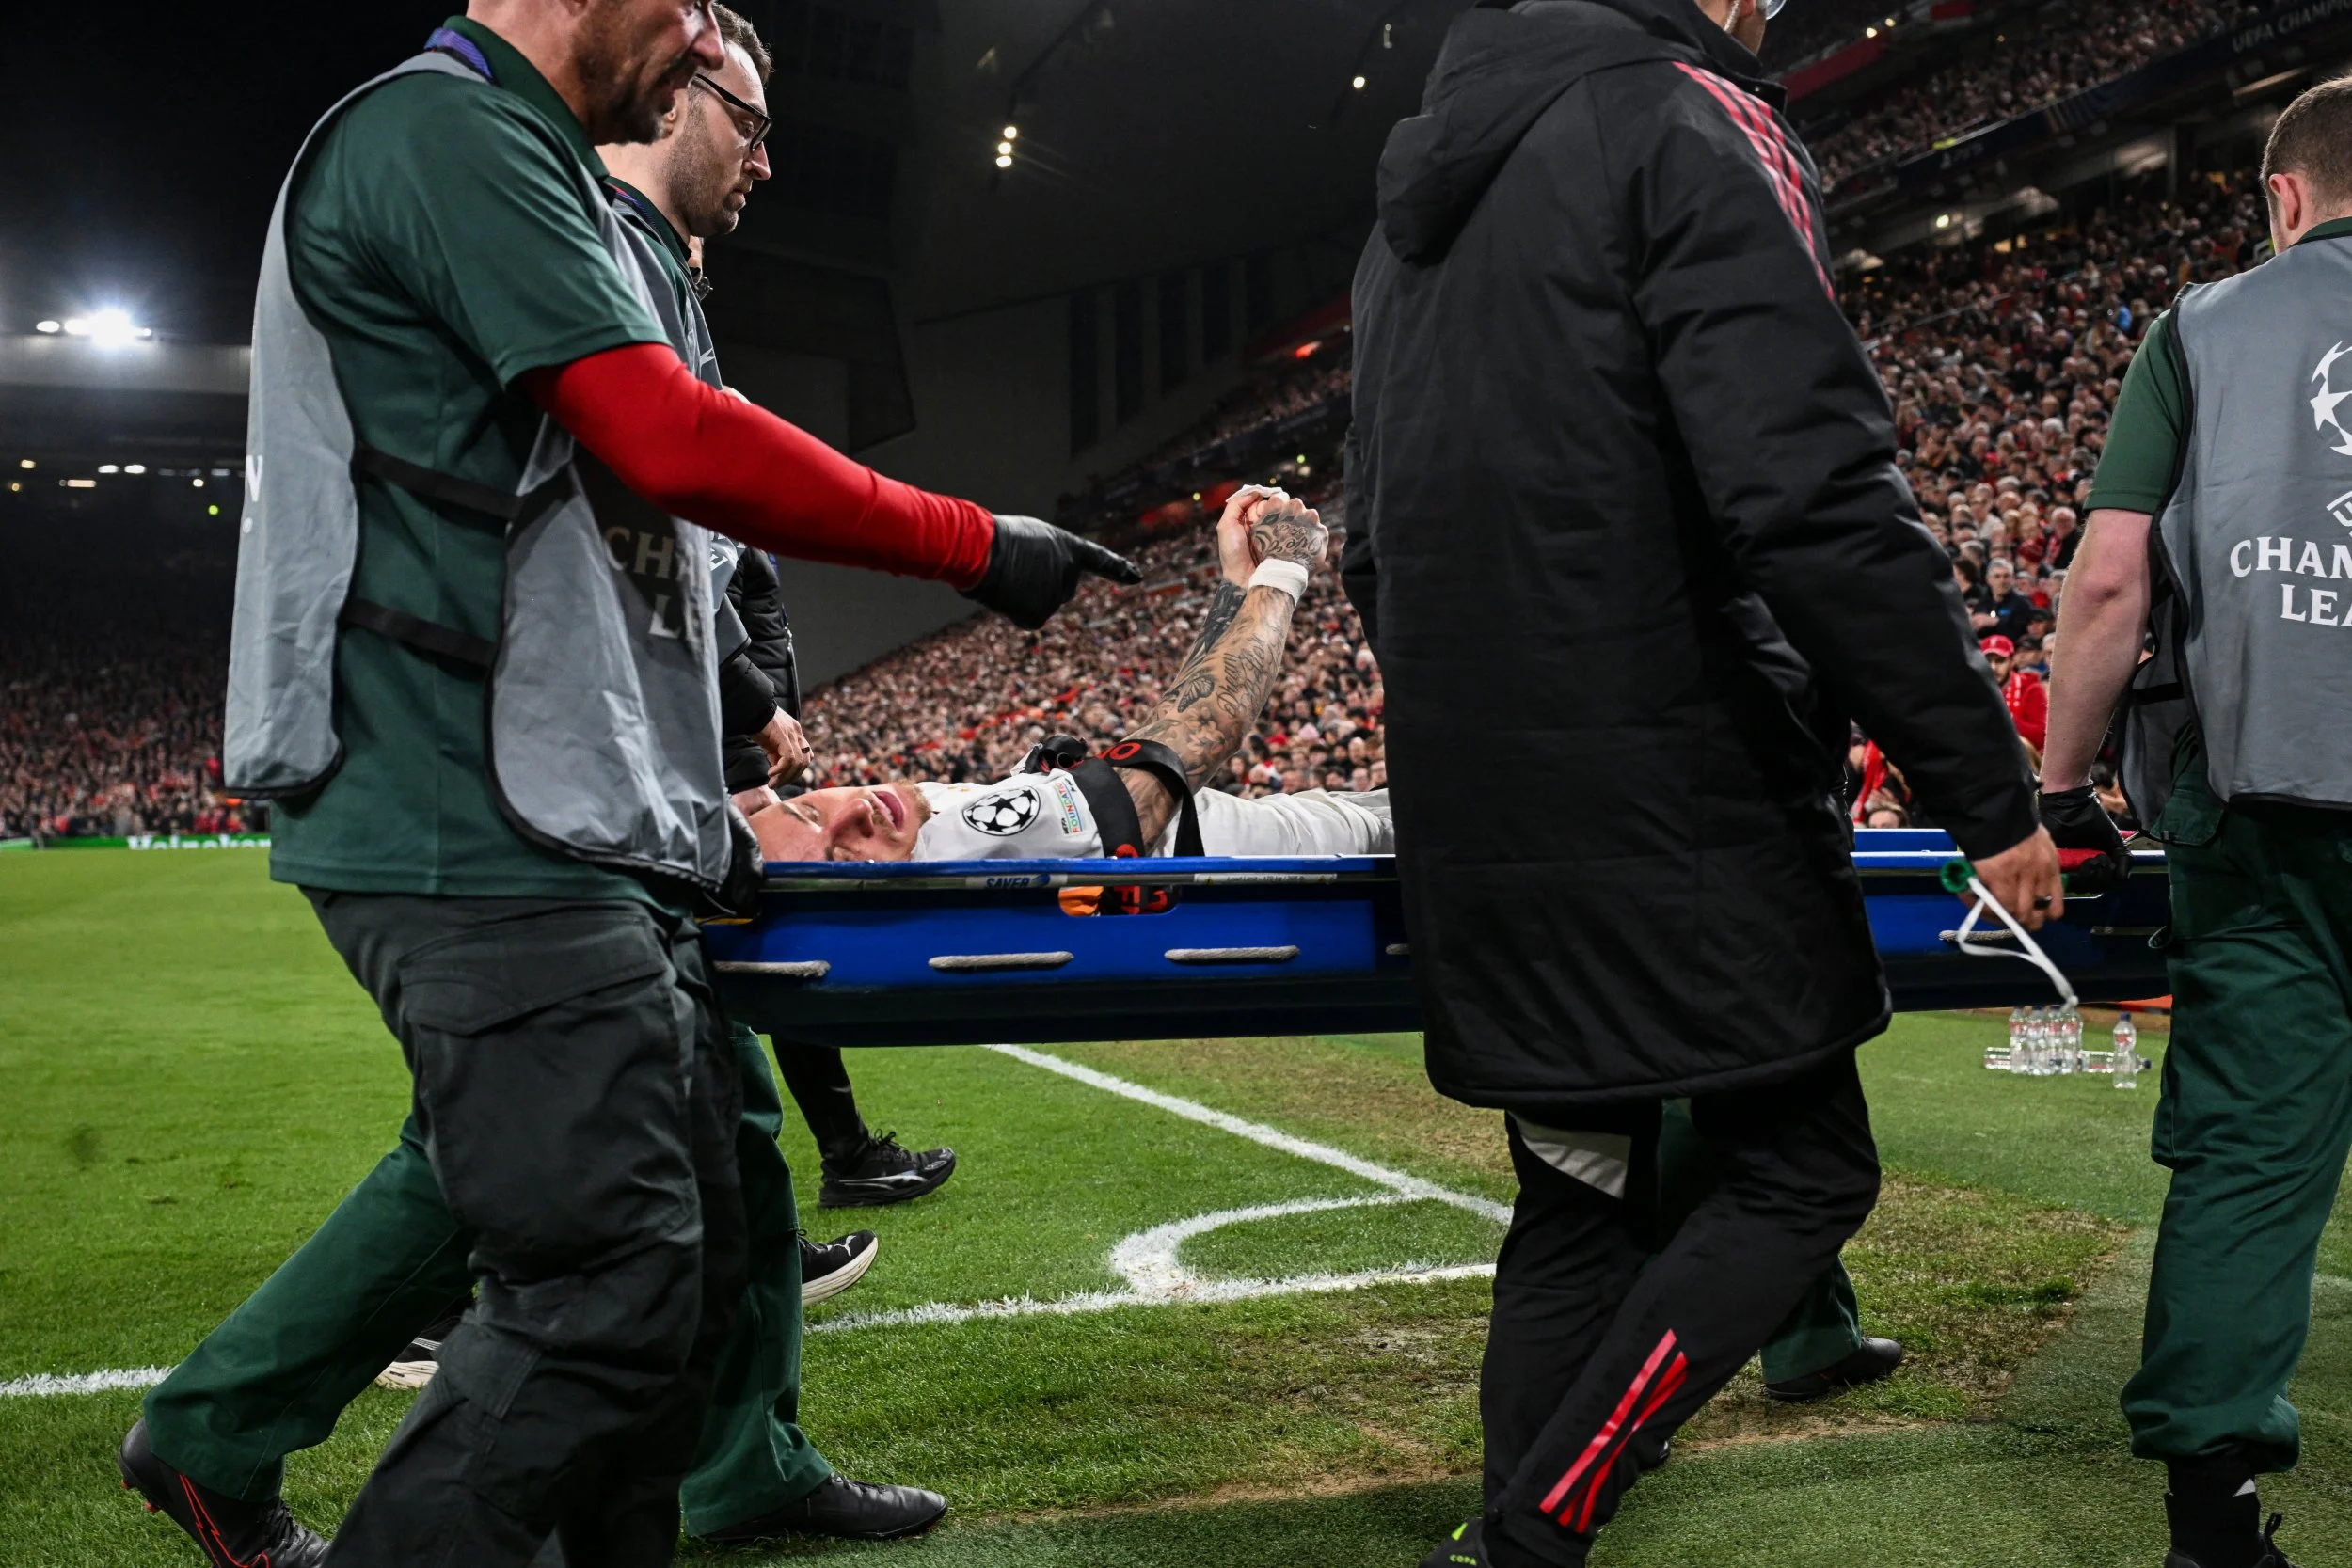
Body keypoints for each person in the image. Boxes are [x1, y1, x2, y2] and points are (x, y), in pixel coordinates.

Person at [118, 5, 1134, 1567]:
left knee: (673, 1251)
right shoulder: (445, 136)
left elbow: (629, 563)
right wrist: (975, 546)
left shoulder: (515, 159)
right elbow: (662, 444)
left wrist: (694, 799)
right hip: (472, 801)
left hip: (550, 804)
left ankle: (249, 1436)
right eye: (698, 31)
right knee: (609, 1287)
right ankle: (218, 1433)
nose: (692, 68)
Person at [1343, 0, 2061, 1563]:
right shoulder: (1684, 118)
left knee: (1580, 1187)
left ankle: (1512, 1538)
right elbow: (1811, 488)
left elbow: (1368, 545)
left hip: (1478, 792)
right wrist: (1983, 786)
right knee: (1804, 1172)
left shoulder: (1403, 221)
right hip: (1672, 776)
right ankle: (1533, 1525)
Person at [2037, 78, 2352, 1568]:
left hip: (2270, 806)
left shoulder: (2209, 323)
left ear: (2285, 198)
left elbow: (2107, 585)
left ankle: (2212, 1523)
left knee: (2251, 1153)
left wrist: (2057, 785)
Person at [742, 492, 1394, 864]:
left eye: (810, 807)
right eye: (841, 858)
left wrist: (1232, 585)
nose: (853, 809)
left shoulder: (916, 841)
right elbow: (1195, 735)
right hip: (1323, 840)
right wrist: (1285, 569)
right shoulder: (967, 843)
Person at [1981, 634, 2047, 754]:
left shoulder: (2031, 688)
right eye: (1988, 661)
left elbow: (2041, 737)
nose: (1993, 667)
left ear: (2012, 662)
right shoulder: (1976, 690)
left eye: (2000, 661)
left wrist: (2007, 717)